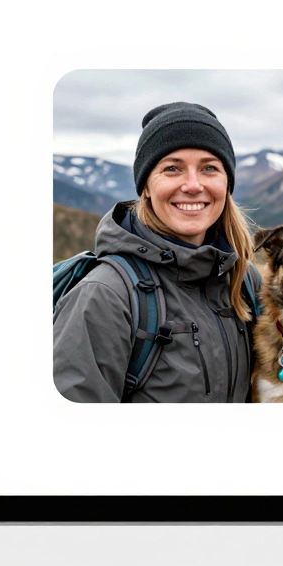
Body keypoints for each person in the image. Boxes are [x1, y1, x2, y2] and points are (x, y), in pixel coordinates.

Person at [53, 102, 258, 402]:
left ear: (227, 183)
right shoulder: (105, 296)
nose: (192, 185)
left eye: (209, 168)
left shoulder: (245, 282)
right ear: (145, 186)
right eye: (172, 168)